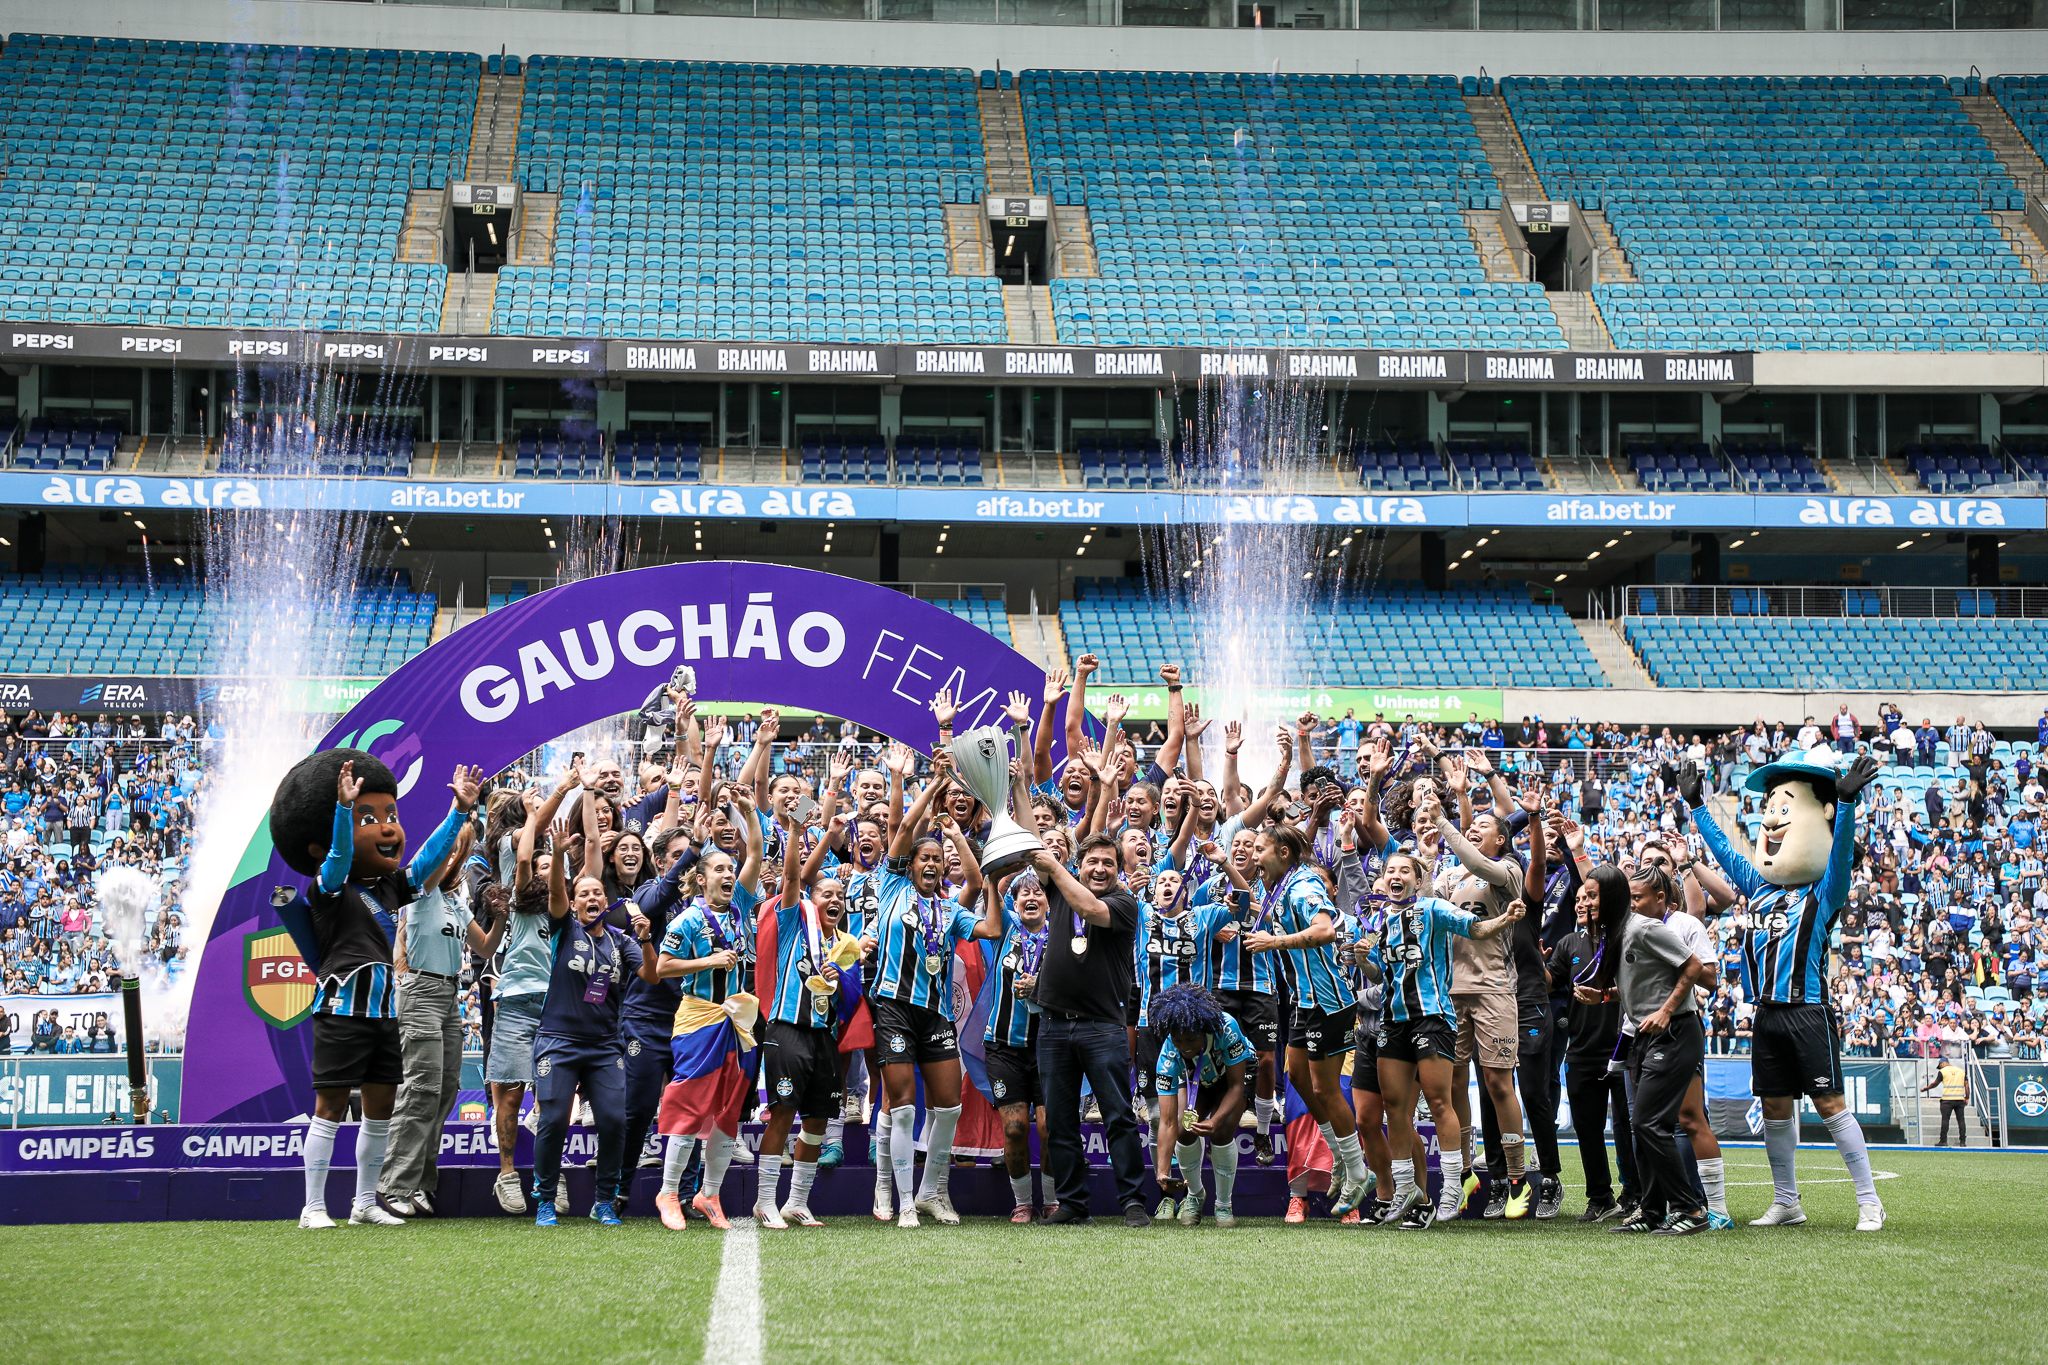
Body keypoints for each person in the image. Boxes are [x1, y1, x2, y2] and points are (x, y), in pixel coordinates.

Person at [269, 750, 477, 1231]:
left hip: (386, 1011)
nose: (388, 828)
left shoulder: (387, 889)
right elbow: (342, 855)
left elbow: (426, 861)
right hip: (342, 1007)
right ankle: (313, 1207)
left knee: (381, 1109)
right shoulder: (328, 886)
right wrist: (344, 808)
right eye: (372, 817)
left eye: (391, 816)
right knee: (330, 1108)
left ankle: (365, 1202)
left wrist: (459, 813)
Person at [1684, 753, 1887, 1232]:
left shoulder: (1824, 890)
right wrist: (1694, 804)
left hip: (1808, 1011)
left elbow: (1839, 854)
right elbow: (1726, 853)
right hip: (1767, 1015)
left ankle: (1869, 1201)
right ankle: (1787, 1202)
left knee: (1830, 1104)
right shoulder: (1759, 886)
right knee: (1775, 1109)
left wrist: (1847, 802)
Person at [1368, 849, 1524, 1229]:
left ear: (1418, 879)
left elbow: (1476, 929)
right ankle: (1407, 1192)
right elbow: (1377, 973)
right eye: (1390, 870)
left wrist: (1504, 918)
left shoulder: (1434, 909)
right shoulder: (1380, 921)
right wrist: (1360, 959)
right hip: (1394, 1021)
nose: (1396, 875)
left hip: (1434, 1018)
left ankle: (1452, 1187)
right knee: (1394, 1105)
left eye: (1404, 870)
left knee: (1439, 1101)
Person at [866, 747, 988, 1228]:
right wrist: (934, 788)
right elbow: (900, 833)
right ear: (911, 866)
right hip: (895, 1007)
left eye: (939, 858)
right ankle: (899, 1202)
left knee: (950, 1106)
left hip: (936, 1014)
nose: (934, 863)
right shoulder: (893, 888)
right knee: (901, 1110)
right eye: (926, 857)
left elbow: (975, 886)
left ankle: (930, 1193)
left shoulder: (950, 909)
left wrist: (956, 835)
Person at [378, 808, 505, 1219]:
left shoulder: (454, 901)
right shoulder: (422, 889)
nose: (457, 863)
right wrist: (458, 823)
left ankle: (419, 1183)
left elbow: (484, 948)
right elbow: (430, 863)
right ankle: (394, 1184)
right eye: (453, 856)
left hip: (450, 994)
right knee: (420, 1090)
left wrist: (502, 916)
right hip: (421, 990)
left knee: (445, 1091)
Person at [1245, 820, 1374, 1221]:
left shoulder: (1303, 886)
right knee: (1297, 1075)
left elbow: (1323, 931)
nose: (1254, 857)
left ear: (1283, 853)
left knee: (1325, 1087)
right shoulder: (1281, 887)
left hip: (1329, 1001)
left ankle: (1358, 1172)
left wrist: (1274, 941)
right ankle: (1339, 1156)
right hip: (1304, 1001)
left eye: (1259, 850)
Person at [530, 815, 656, 1228]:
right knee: (552, 1119)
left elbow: (651, 975)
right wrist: (564, 859)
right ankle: (545, 1197)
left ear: (606, 901)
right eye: (582, 893)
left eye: (597, 893)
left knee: (614, 1120)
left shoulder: (622, 943)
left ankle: (604, 1201)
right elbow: (556, 896)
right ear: (574, 900)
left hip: (604, 1046)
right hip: (558, 1041)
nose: (590, 897)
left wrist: (646, 939)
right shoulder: (563, 927)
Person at [1029, 833, 1149, 1227]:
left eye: (1108, 864)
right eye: (1092, 862)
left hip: (1103, 1028)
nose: (1099, 869)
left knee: (1118, 1117)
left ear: (1119, 870)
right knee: (1060, 1120)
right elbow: (1034, 844)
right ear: (1080, 864)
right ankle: (1072, 1204)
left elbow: (1091, 908)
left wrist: (1055, 868)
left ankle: (1132, 1201)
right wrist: (1020, 783)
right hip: (1053, 1025)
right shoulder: (1061, 886)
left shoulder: (1123, 902)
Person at [483, 766, 582, 1215]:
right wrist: (550, 797)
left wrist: (558, 797)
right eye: (540, 864)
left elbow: (547, 852)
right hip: (516, 999)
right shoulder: (516, 871)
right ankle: (506, 1174)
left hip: (554, 1001)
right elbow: (526, 856)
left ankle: (549, 1173)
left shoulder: (559, 898)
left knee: (552, 1096)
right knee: (510, 1091)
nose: (544, 867)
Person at [1596, 865, 1711, 1235]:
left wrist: (1665, 1010)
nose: (1588, 902)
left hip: (1676, 1030)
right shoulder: (1619, 932)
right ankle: (1652, 1211)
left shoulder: (1646, 927)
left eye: (1595, 895)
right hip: (1646, 1034)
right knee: (1641, 1125)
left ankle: (1691, 1210)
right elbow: (1648, 983)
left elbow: (1694, 967)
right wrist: (1605, 995)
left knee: (1649, 1122)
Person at [1550, 867, 1637, 1221]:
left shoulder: (1625, 937)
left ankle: (1636, 1193)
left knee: (1630, 1128)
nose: (1584, 901)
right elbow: (1548, 982)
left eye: (1591, 896)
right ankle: (1600, 1197)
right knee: (1587, 1129)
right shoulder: (1567, 945)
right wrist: (1527, 953)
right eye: (1580, 897)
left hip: (1624, 1046)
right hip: (1582, 1051)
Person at [980, 866, 1055, 1223]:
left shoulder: (1066, 937)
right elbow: (989, 884)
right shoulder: (1004, 930)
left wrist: (1039, 987)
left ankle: (1053, 1199)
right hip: (1004, 1047)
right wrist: (1012, 867)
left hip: (1050, 1047)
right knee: (1015, 1128)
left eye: (1038, 892)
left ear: (1049, 902)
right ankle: (1023, 1201)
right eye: (1023, 894)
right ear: (1014, 902)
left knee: (1049, 1127)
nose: (1031, 897)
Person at [1148, 983, 1252, 1227]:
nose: (1184, 1046)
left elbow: (1237, 1086)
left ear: (1203, 1030)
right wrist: (1162, 1173)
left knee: (1222, 1131)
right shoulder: (1169, 1053)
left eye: (1191, 1040)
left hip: (1232, 1078)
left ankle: (1224, 1206)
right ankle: (1195, 1195)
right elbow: (1167, 1121)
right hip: (1200, 1081)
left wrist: (1215, 1120)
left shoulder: (1226, 1027)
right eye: (1178, 1040)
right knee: (1184, 1131)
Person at [1924, 1057, 1969, 1145]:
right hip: (1959, 1099)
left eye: (1940, 1066)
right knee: (1961, 1120)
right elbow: (1966, 1086)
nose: (1940, 1068)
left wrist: (1926, 1088)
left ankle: (1943, 1141)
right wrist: (1967, 1097)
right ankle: (1963, 1142)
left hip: (1947, 1100)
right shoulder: (1961, 1071)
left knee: (1945, 1120)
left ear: (1943, 1064)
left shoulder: (1943, 1071)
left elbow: (1935, 1084)